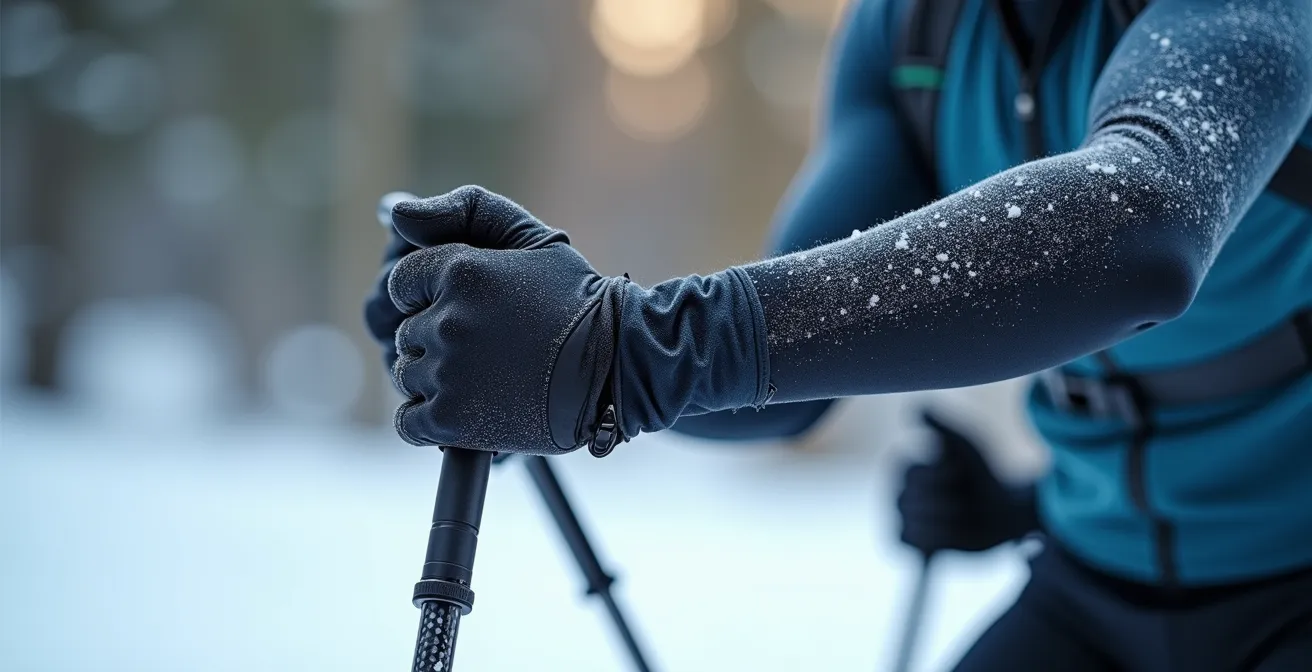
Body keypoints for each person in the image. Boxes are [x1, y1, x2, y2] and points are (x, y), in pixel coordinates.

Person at [364, 0, 1312, 668]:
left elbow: (1142, 225)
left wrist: (629, 350)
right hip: (1092, 581)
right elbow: (777, 397)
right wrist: (546, 346)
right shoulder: (915, 31)